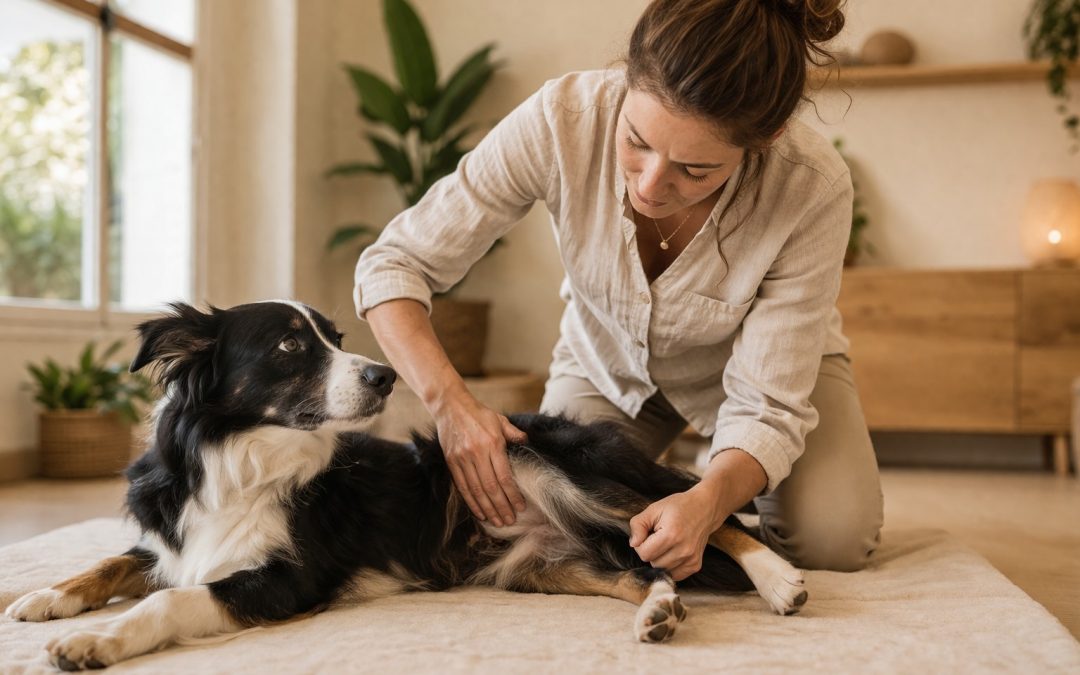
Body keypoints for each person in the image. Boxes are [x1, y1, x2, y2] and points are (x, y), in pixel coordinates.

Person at [353, 0, 883, 581]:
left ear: (766, 139)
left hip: (763, 375)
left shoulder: (811, 187)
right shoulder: (561, 119)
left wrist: (708, 503)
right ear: (627, 79)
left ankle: (715, 480)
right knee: (548, 524)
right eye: (636, 141)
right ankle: (692, 484)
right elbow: (394, 264)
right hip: (607, 366)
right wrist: (452, 406)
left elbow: (769, 404)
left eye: (696, 170)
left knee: (831, 541)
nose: (651, 185)